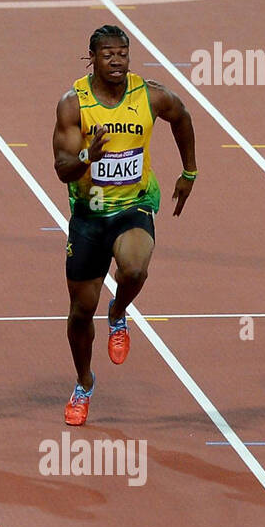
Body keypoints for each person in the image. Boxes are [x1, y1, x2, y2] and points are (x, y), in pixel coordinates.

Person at [52, 25, 197, 426]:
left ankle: (118, 310)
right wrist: (87, 154)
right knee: (81, 312)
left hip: (133, 206)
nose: (117, 61)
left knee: (134, 268)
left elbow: (182, 117)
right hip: (88, 215)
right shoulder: (73, 104)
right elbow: (62, 169)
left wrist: (190, 171)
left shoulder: (148, 95)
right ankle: (84, 382)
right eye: (108, 55)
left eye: (123, 54)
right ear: (92, 58)